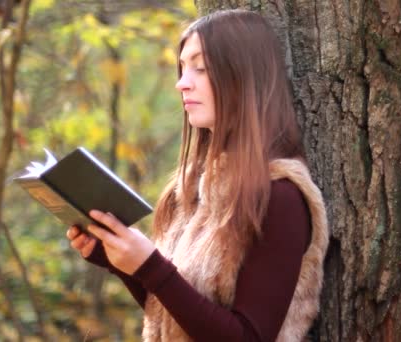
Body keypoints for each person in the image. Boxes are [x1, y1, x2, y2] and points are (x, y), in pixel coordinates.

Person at [66, 9, 329, 342]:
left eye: (200, 68)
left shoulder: (281, 197)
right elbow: (173, 318)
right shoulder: (194, 189)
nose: (181, 82)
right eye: (182, 68)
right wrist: (118, 259)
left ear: (243, 77)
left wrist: (149, 266)